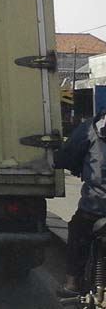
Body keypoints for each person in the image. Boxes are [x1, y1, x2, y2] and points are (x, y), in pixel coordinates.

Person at [55, 109, 106, 297]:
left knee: (77, 230)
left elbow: (65, 157)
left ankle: (72, 284)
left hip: (95, 207)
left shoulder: (91, 129)